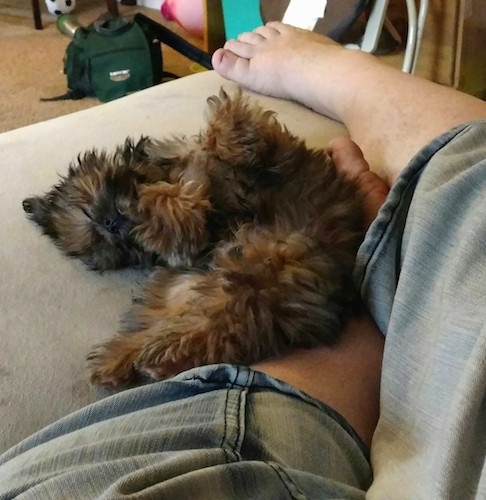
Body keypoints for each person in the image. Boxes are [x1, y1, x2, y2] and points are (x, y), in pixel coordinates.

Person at [1, 21, 486, 498]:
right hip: (296, 260)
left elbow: (233, 154)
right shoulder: (184, 251)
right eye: (106, 245)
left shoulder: (176, 172)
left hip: (287, 234)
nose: (115, 231)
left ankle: (347, 82)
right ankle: (345, 332)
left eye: (100, 214)